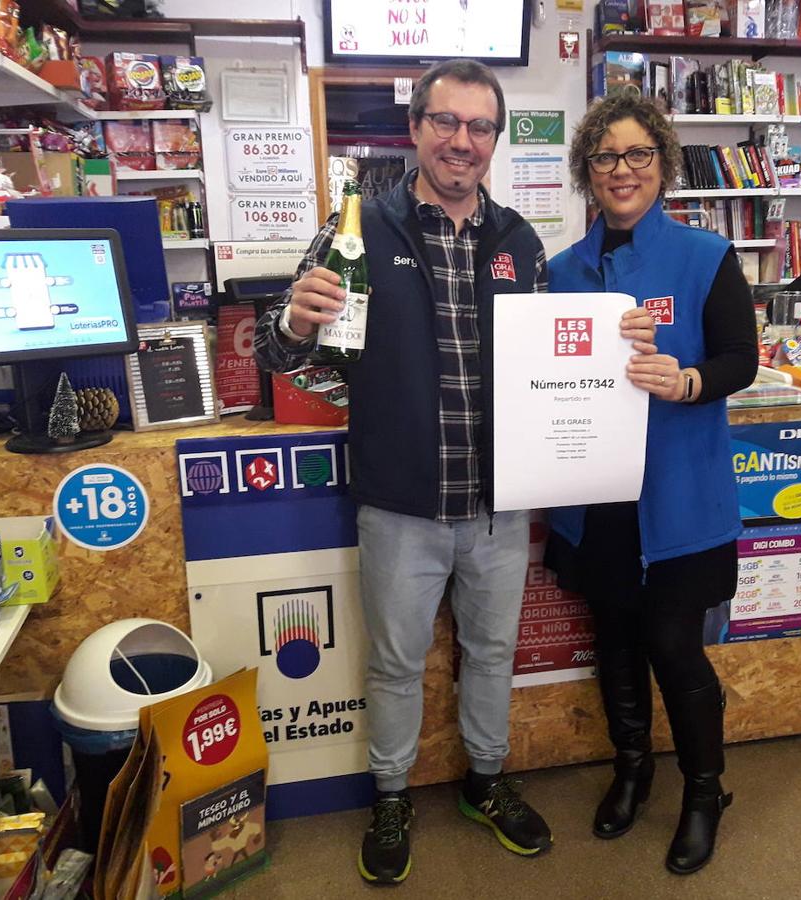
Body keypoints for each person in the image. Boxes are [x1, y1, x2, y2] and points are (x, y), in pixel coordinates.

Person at [254, 60, 552, 885]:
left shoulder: (520, 243)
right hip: (399, 504)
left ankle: (484, 783)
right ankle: (391, 795)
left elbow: (553, 362)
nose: (463, 141)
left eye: (479, 127)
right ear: (416, 128)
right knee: (394, 663)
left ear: (494, 139)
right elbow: (276, 354)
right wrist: (290, 317)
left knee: (491, 654)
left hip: (497, 504)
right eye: (446, 123)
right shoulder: (357, 230)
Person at [545, 92, 758, 875]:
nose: (621, 170)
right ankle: (630, 768)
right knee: (616, 639)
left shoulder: (706, 256)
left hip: (680, 495)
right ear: (587, 174)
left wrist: (688, 380)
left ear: (663, 164)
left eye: (638, 155)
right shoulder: (561, 272)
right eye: (605, 158)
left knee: (674, 642)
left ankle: (704, 792)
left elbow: (741, 357)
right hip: (595, 498)